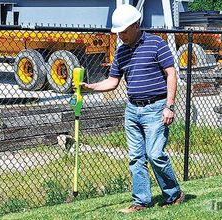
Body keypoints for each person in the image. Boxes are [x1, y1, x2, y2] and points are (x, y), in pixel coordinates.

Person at [79, 4, 184, 213]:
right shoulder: (121, 52)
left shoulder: (157, 44)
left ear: (136, 26)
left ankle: (174, 194)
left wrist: (169, 106)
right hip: (132, 110)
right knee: (136, 158)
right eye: (118, 32)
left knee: (155, 154)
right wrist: (91, 87)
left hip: (156, 108)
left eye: (124, 31)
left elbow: (171, 75)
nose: (120, 36)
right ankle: (141, 202)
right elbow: (112, 81)